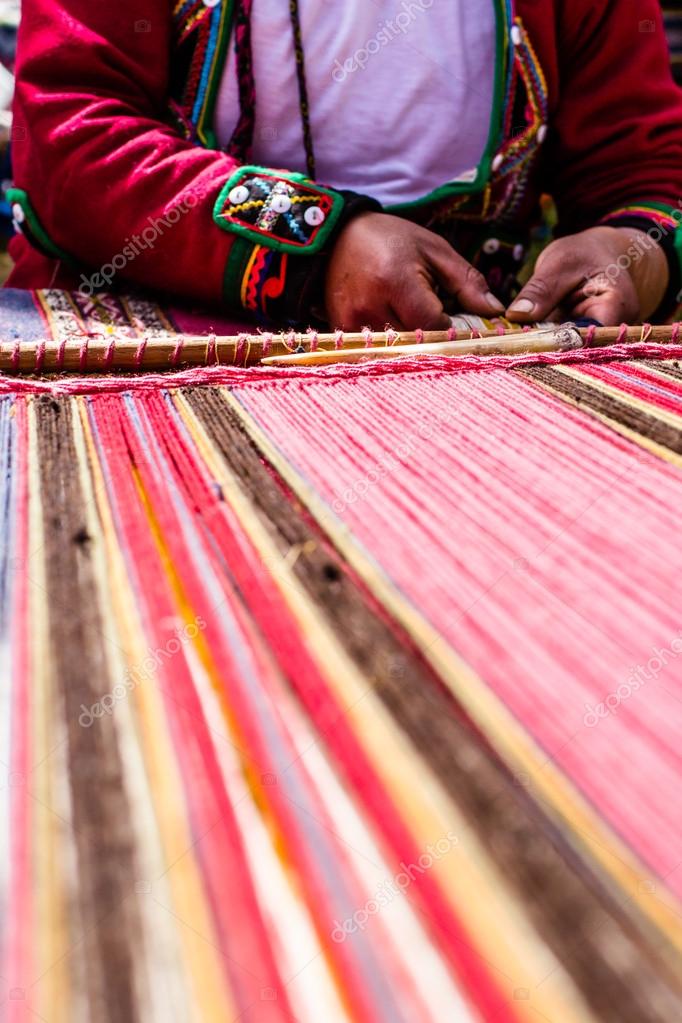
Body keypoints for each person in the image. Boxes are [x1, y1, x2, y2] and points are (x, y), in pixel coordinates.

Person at [6, 0, 682, 331]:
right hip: (142, 359)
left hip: (473, 375)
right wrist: (320, 248)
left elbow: (648, 174)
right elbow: (71, 142)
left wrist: (634, 250)